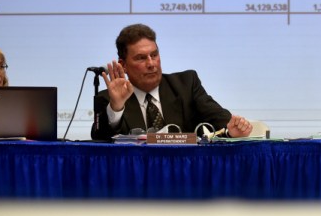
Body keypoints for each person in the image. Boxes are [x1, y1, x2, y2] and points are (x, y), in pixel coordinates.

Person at [91, 23, 252, 140]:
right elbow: (99, 143)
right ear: (123, 65)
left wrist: (232, 131)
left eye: (154, 55)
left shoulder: (186, 84)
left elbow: (220, 119)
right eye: (141, 58)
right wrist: (117, 108)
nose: (151, 63)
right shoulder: (109, 99)